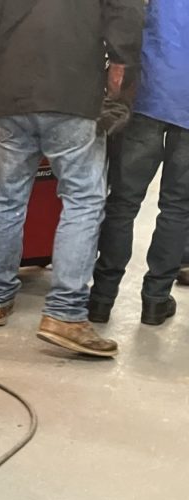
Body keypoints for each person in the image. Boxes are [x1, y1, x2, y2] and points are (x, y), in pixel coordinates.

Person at [0, 0, 144, 356]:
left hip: (10, 93)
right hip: (71, 91)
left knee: (7, 197)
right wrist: (120, 78)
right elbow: (125, 16)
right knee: (83, 200)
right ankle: (65, 313)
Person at [89, 0, 189, 328]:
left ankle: (102, 299)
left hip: (147, 98)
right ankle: (155, 301)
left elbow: (127, 22)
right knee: (177, 208)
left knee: (122, 202)